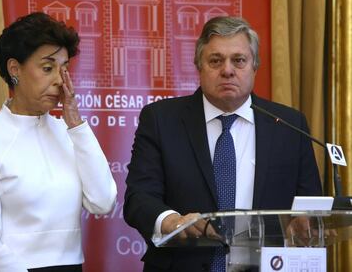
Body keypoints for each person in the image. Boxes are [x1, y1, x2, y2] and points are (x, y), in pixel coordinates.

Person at [123, 16, 322, 272]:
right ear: (199, 66)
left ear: (254, 67)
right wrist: (172, 221)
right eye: (216, 60)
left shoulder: (289, 124)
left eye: (238, 60)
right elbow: (139, 198)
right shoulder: (161, 120)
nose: (227, 70)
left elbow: (309, 201)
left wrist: (305, 222)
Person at [0, 12, 117, 272]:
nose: (59, 79)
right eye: (47, 68)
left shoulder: (69, 134)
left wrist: (77, 125)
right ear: (15, 70)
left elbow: (102, 201)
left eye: (63, 68)